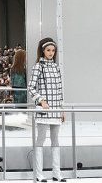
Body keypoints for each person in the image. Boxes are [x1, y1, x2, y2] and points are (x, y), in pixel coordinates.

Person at [29, 38, 65, 182]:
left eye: (53, 50)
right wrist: (41, 100)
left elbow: (60, 91)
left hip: (56, 109)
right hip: (43, 110)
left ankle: (57, 173)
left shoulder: (56, 67)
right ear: (43, 51)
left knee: (55, 140)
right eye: (48, 50)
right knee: (41, 139)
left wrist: (62, 109)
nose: (51, 53)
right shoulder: (38, 66)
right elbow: (31, 87)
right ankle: (39, 174)